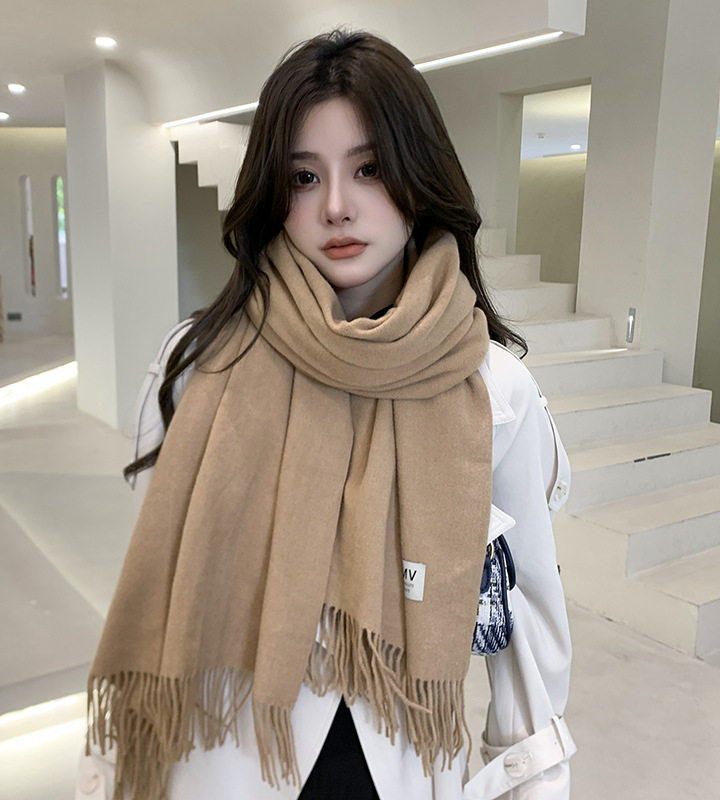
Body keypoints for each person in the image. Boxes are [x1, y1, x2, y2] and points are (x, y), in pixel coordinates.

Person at [76, 29, 575, 800]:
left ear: (418, 175)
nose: (337, 206)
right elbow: (159, 582)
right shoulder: (196, 365)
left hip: (398, 765)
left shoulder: (492, 391)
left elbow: (527, 636)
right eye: (304, 177)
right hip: (220, 758)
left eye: (369, 169)